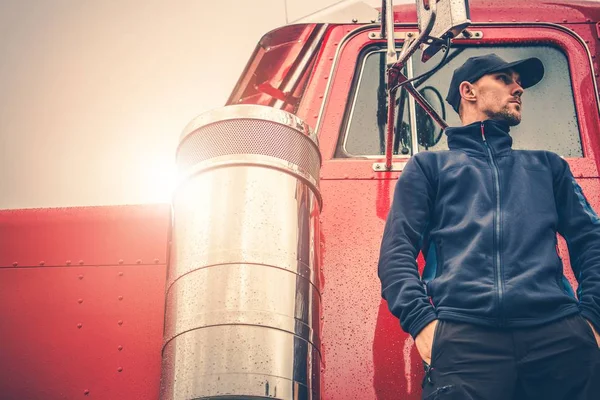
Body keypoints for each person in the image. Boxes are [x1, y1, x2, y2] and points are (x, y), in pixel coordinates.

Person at [377, 53, 600, 400]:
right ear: (469, 91)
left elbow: (591, 241)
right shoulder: (428, 168)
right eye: (504, 79)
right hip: (464, 341)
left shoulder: (548, 167)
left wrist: (592, 320)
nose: (519, 88)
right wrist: (422, 324)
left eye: (519, 82)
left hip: (558, 337)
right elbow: (396, 252)